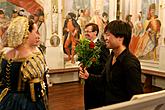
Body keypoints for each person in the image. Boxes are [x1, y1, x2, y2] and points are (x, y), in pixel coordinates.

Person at [0, 16, 48, 110]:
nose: (38, 35)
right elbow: (36, 93)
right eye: (36, 32)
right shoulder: (32, 59)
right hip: (25, 103)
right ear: (26, 33)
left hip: (6, 98)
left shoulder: (4, 53)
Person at [102, 20, 143, 105]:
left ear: (120, 37)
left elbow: (136, 96)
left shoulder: (130, 63)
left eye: (108, 35)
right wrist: (88, 76)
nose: (105, 38)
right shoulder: (112, 56)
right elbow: (104, 79)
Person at [79, 23, 110, 110]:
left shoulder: (103, 46)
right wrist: (82, 66)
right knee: (88, 103)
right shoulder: (85, 45)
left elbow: (105, 65)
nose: (86, 33)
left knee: (96, 105)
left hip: (97, 81)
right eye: (85, 31)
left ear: (95, 32)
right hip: (87, 81)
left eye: (88, 31)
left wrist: (90, 65)